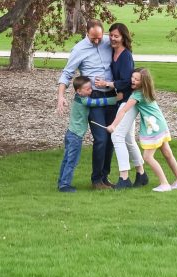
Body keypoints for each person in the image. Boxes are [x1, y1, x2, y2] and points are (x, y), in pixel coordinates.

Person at [56, 19, 115, 189]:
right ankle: (96, 180)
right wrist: (60, 96)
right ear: (87, 33)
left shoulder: (107, 42)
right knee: (101, 138)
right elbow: (67, 73)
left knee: (110, 139)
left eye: (99, 37)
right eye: (93, 38)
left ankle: (104, 177)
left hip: (110, 92)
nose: (97, 41)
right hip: (94, 96)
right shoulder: (79, 49)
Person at [106, 68, 177, 192]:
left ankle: (164, 183)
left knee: (148, 157)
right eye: (133, 77)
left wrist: (113, 125)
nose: (133, 80)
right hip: (160, 124)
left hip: (153, 127)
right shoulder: (147, 91)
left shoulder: (137, 94)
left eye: (137, 79)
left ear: (144, 82)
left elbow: (123, 110)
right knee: (167, 153)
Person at [95, 23, 148, 190]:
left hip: (128, 101)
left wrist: (108, 84)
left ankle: (124, 178)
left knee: (116, 136)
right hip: (121, 99)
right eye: (110, 35)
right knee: (128, 139)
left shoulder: (125, 56)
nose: (112, 39)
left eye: (116, 36)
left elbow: (126, 80)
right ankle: (141, 174)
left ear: (124, 37)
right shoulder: (113, 52)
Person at [57, 76, 119, 192]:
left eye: (91, 88)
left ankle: (61, 182)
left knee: (67, 159)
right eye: (87, 89)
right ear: (79, 91)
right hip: (75, 136)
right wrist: (115, 99)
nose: (91, 91)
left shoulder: (78, 97)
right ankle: (65, 185)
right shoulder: (84, 100)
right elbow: (98, 102)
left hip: (71, 134)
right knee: (72, 161)